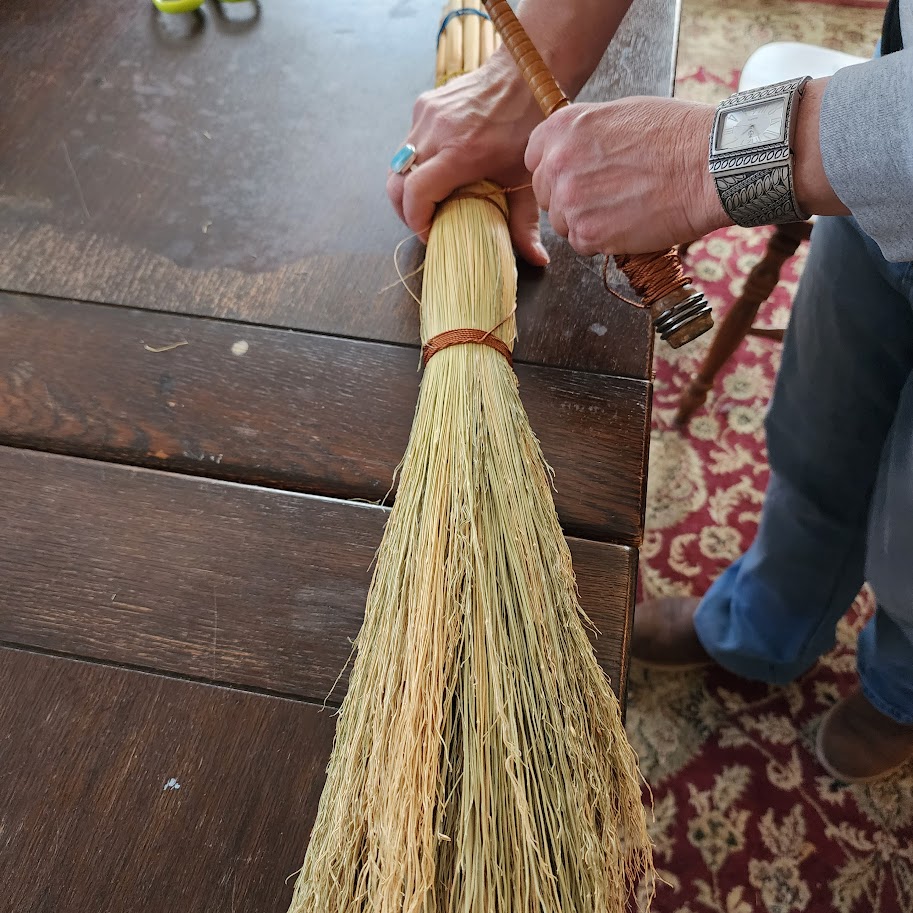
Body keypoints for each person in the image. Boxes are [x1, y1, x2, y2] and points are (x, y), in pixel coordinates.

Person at [386, 0, 913, 783]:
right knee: (816, 431)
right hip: (885, 130)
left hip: (868, 133)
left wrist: (717, 156)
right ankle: (762, 627)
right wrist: (527, 76)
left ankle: (897, 684)